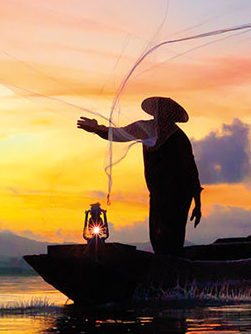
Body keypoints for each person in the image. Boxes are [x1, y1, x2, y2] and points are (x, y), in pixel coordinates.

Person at [76, 96, 202, 256]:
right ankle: (164, 268)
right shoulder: (146, 128)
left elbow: (191, 171)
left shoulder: (179, 138)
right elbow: (118, 134)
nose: (160, 115)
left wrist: (197, 202)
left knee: (172, 236)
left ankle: (173, 270)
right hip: (157, 194)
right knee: (157, 236)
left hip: (179, 194)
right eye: (159, 110)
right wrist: (96, 128)